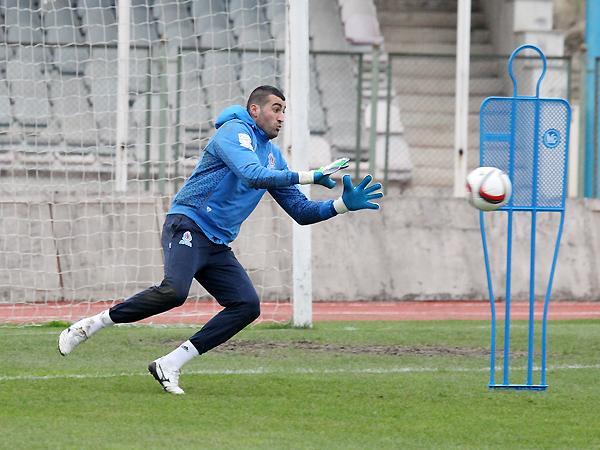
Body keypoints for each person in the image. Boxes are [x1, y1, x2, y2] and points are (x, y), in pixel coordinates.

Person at [58, 85, 383, 395]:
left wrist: (341, 205)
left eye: (284, 110)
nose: (282, 117)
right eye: (276, 109)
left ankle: (170, 364)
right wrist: (311, 175)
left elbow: (301, 211)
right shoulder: (234, 131)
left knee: (246, 305)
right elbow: (251, 175)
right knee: (175, 292)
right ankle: (90, 326)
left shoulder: (273, 157)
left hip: (216, 243)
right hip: (188, 223)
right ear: (254, 110)